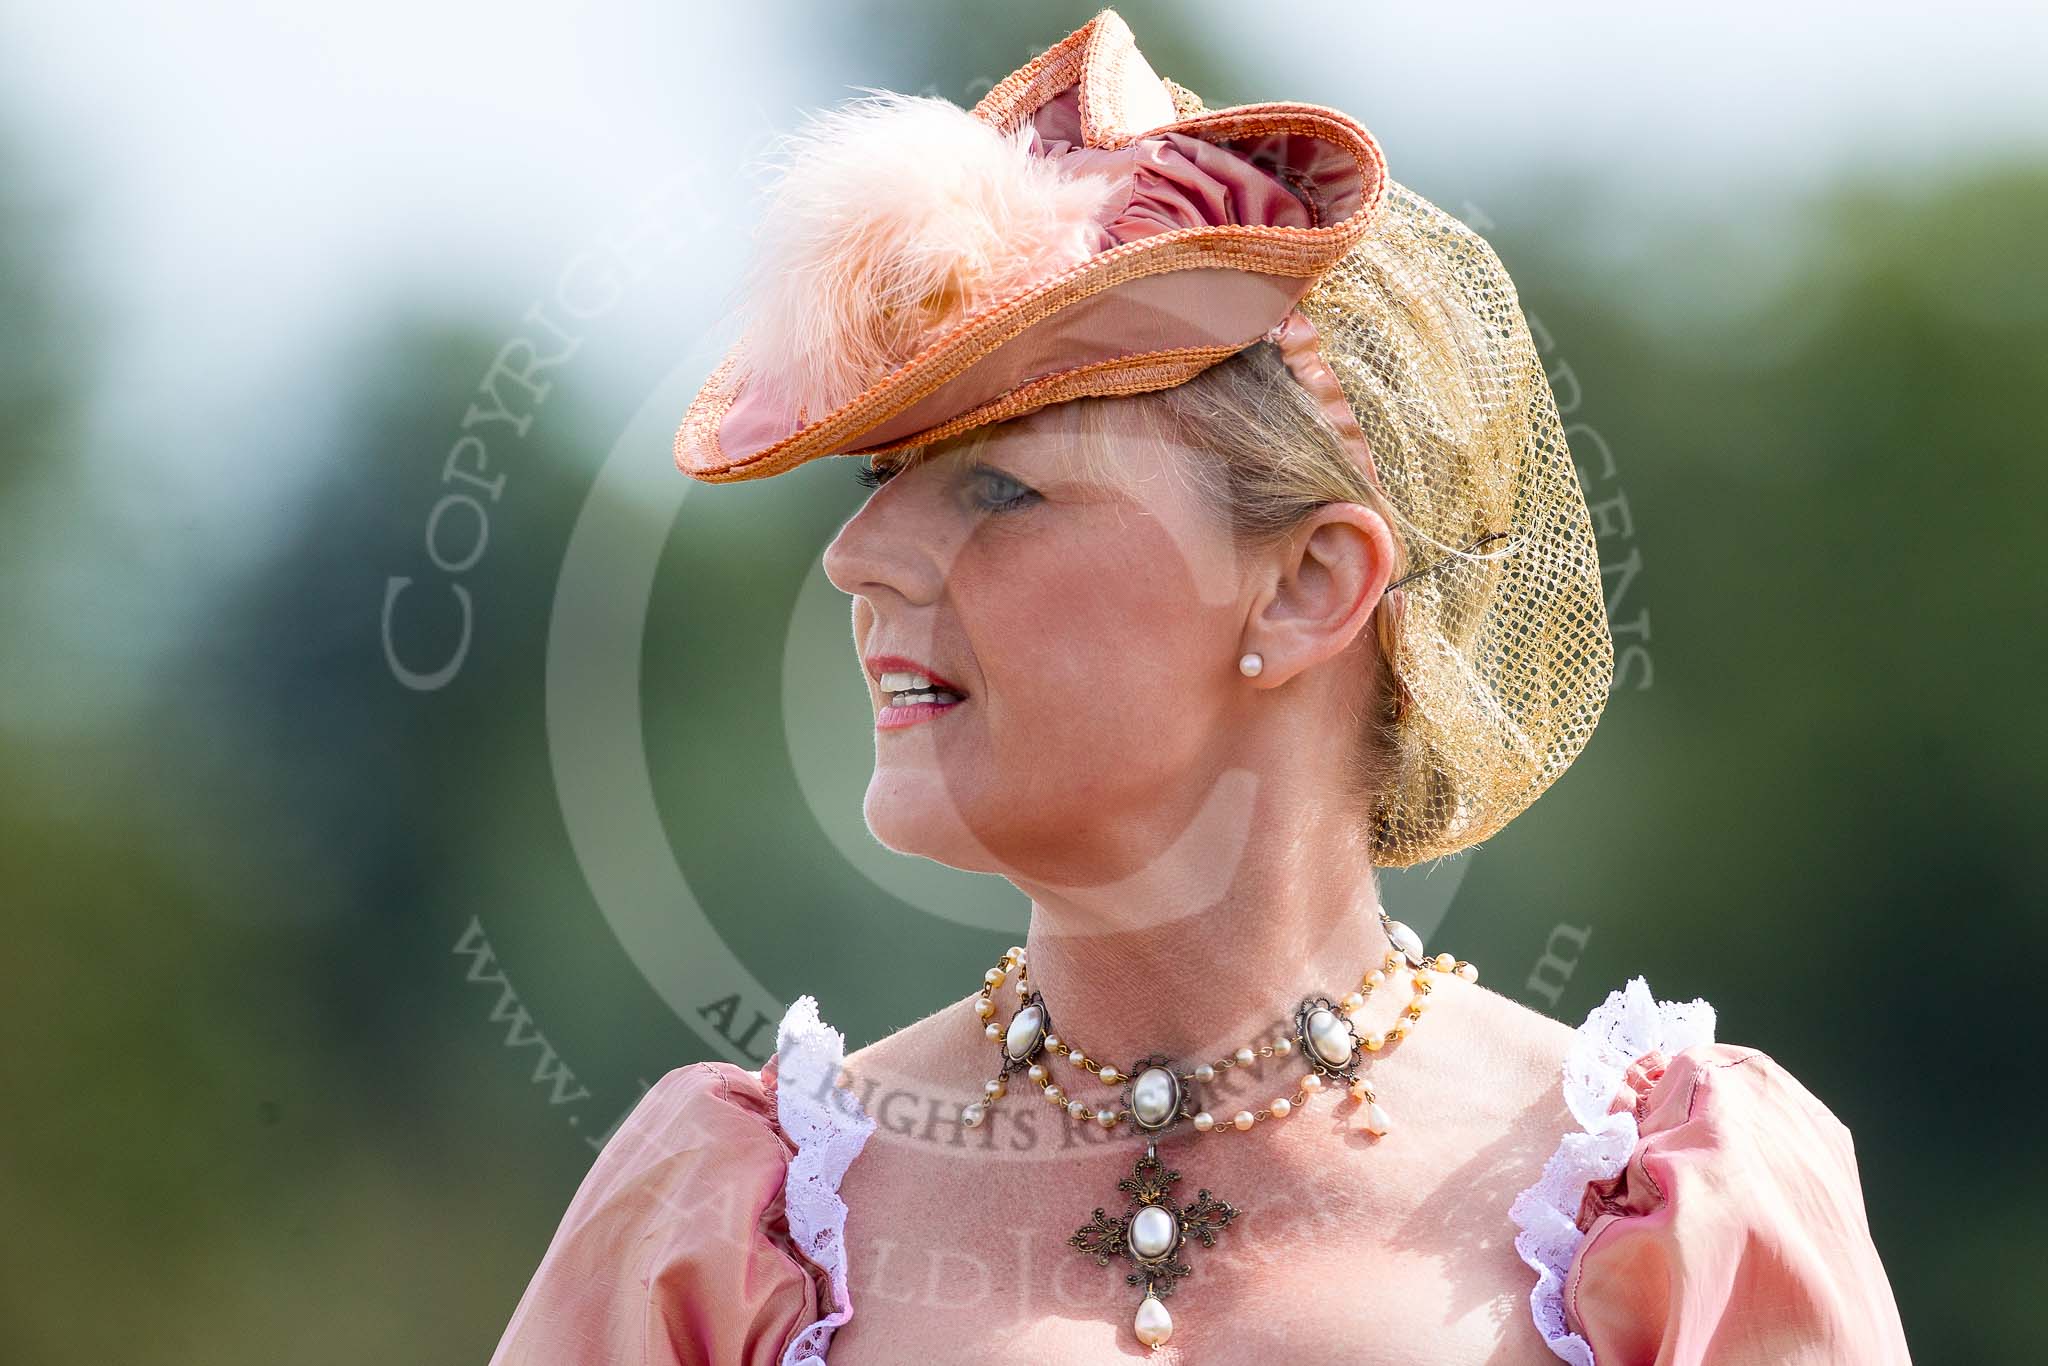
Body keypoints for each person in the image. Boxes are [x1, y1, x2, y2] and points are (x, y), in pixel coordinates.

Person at [489, 10, 1911, 1363]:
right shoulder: (731, 1219)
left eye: (997, 486)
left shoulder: (1673, 1210)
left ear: (1306, 587)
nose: (858, 558)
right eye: (878, 484)